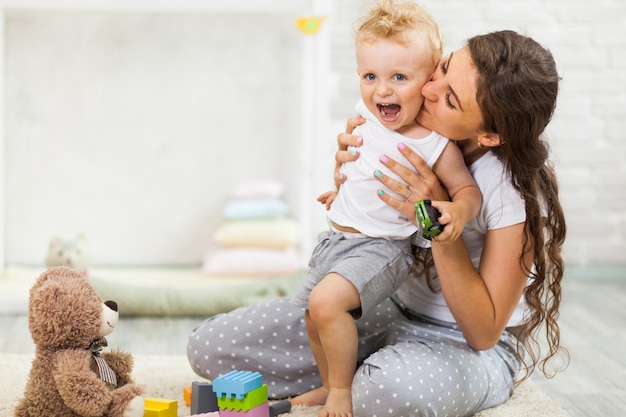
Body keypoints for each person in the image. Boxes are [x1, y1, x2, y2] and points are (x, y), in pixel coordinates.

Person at [187, 29, 567, 417]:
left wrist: (432, 217)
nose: (428, 89)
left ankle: (363, 376)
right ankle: (354, 370)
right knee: (210, 346)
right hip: (388, 310)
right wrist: (347, 177)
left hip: (462, 345)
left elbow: (483, 333)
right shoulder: (404, 128)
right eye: (443, 68)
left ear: (489, 135)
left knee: (382, 393)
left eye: (450, 99)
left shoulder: (510, 190)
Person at [289, 1, 481, 416]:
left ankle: (342, 391)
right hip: (338, 238)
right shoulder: (365, 115)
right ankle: (327, 385)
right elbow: (361, 164)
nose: (382, 90)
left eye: (399, 77)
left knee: (327, 305)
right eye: (370, 76)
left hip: (385, 247)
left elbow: (466, 188)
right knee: (312, 315)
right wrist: (340, 189)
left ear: (428, 78)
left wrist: (460, 212)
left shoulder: (434, 143)